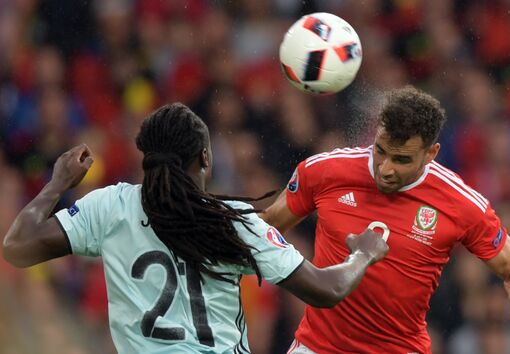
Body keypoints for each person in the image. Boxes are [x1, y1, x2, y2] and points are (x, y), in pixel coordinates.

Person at [2, 103, 389, 354]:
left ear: (147, 160)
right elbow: (327, 289)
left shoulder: (109, 207)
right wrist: (364, 254)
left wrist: (57, 183)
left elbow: (17, 246)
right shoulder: (232, 221)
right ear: (205, 157)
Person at [261, 86, 510, 354]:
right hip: (316, 346)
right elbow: (265, 227)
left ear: (430, 153)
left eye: (401, 159)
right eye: (380, 151)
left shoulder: (461, 203)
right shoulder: (324, 171)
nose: (385, 169)